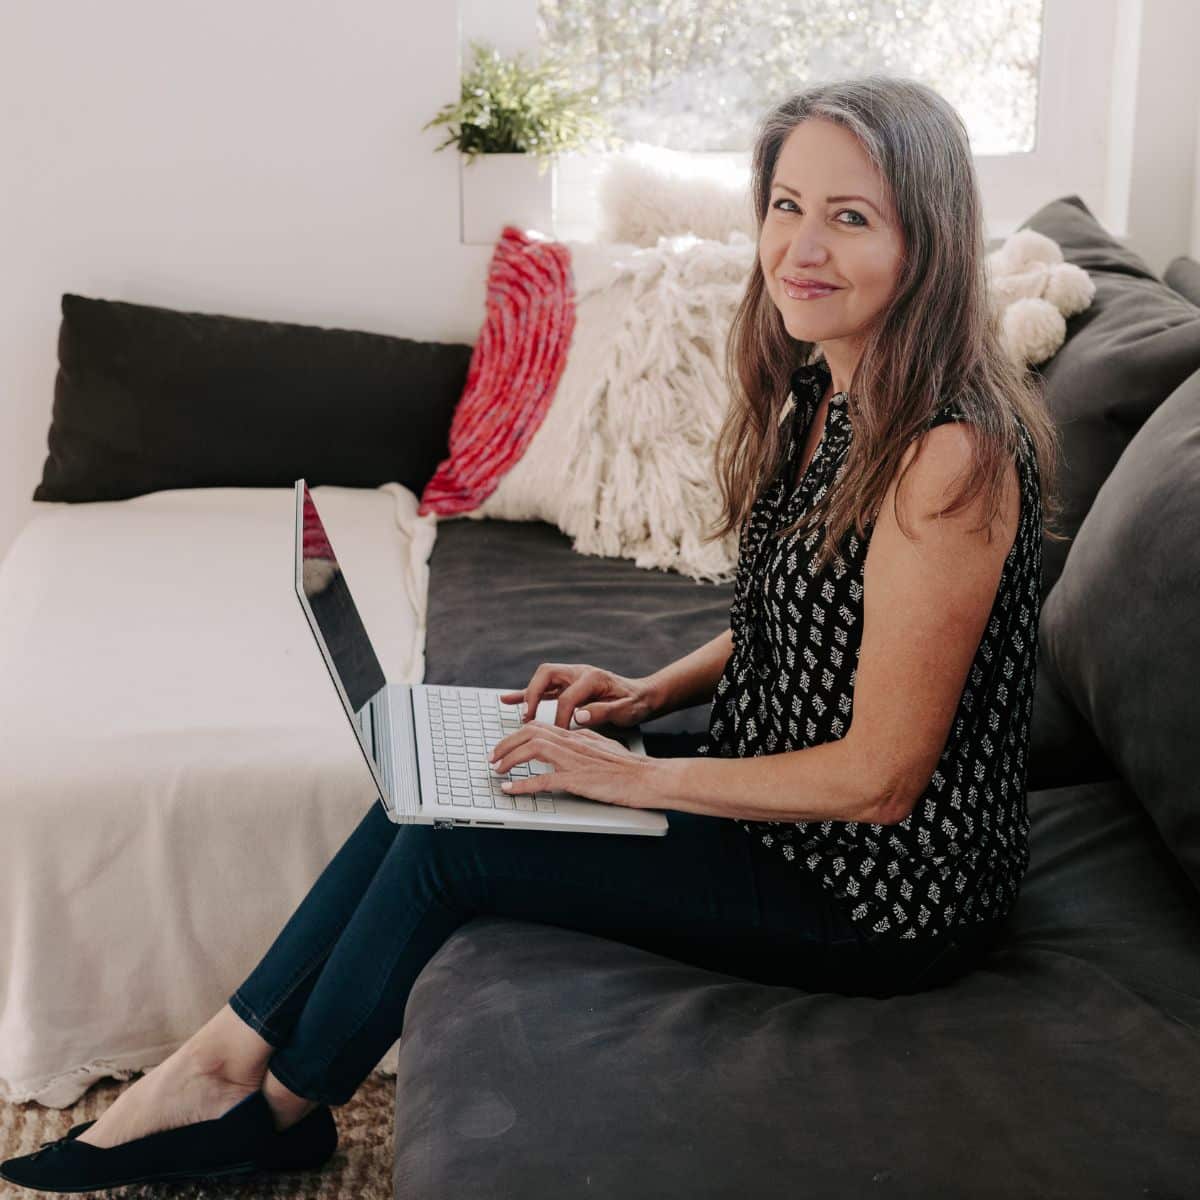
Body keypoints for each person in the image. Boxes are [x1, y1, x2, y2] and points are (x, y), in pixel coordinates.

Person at [1, 73, 1063, 1193]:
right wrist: (650, 692)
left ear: (929, 243)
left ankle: (262, 1105)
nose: (801, 245)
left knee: (463, 838)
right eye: (787, 204)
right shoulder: (825, 390)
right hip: (780, 804)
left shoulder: (953, 457)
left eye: (851, 217)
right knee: (449, 764)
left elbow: (881, 778)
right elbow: (800, 622)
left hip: (874, 896)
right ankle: (224, 1065)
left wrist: (625, 780)